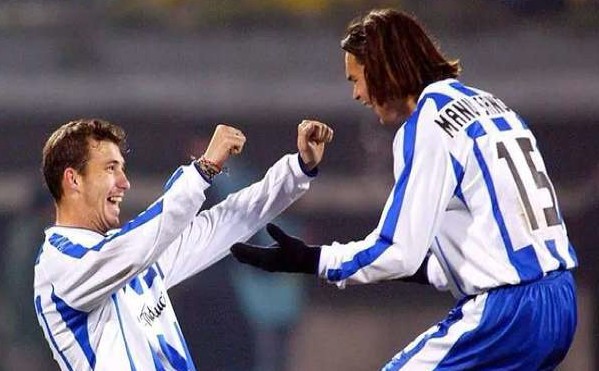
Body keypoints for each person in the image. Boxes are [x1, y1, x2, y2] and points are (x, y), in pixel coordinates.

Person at [231, 8, 578, 370]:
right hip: (559, 300)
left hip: (508, 312)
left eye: (356, 79)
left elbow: (398, 250)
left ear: (384, 67)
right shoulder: (493, 105)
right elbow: (476, 244)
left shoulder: (429, 123)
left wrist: (312, 260)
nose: (356, 94)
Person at [34, 117, 333, 370]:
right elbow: (137, 245)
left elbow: (224, 223)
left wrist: (297, 169)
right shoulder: (58, 266)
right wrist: (202, 170)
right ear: (73, 180)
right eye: (111, 169)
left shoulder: (130, 254)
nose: (124, 182)